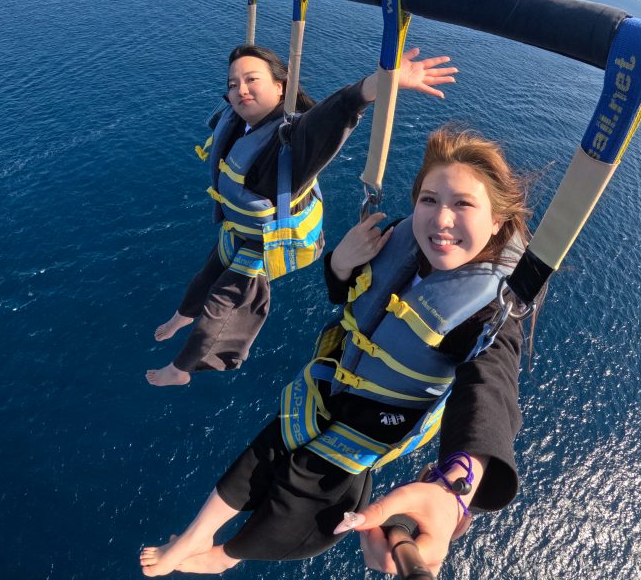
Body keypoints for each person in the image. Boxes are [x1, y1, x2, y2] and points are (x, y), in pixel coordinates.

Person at [138, 127, 539, 576]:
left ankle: (223, 556)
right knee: (267, 449)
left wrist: (455, 491)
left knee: (307, 490)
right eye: (429, 200)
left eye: (463, 204)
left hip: (384, 413)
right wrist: (341, 262)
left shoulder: (493, 307)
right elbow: (348, 293)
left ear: (497, 220)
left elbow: (490, 391)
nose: (441, 220)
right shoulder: (399, 237)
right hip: (335, 376)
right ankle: (196, 535)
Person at [146, 44, 458, 386]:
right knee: (208, 272)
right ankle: (182, 315)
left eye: (252, 80)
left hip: (271, 240)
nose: (240, 90)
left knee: (224, 303)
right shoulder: (238, 124)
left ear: (280, 87)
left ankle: (181, 370)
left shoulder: (293, 142)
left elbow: (339, 111)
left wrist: (382, 82)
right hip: (241, 228)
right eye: (233, 84)